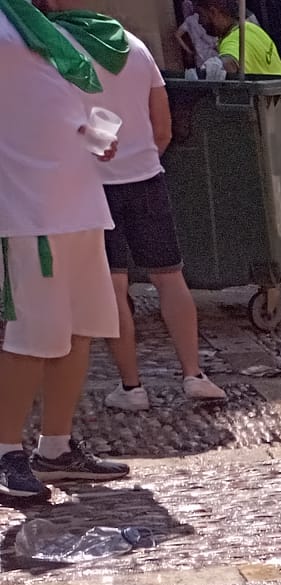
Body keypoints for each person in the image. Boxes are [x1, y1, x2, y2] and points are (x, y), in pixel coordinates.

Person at [0, 0, 131, 504]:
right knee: (32, 337)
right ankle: (5, 449)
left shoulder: (38, 25)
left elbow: (45, 102)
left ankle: (55, 447)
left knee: (80, 332)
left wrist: (84, 134)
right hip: (29, 210)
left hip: (79, 203)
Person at [85, 16, 228, 412]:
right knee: (170, 276)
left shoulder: (65, 51)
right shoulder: (137, 48)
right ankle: (194, 374)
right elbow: (162, 127)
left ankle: (131, 387)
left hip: (94, 185)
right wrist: (141, 158)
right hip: (146, 178)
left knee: (114, 288)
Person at [197, 0, 281, 76]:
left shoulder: (235, 39)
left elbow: (229, 63)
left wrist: (208, 70)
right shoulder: (252, 28)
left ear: (213, 12)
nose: (199, 21)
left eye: (201, 15)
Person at [174, 0, 217, 72]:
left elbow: (177, 35)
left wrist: (189, 51)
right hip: (214, 53)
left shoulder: (189, 20)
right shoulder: (210, 17)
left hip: (199, 56)